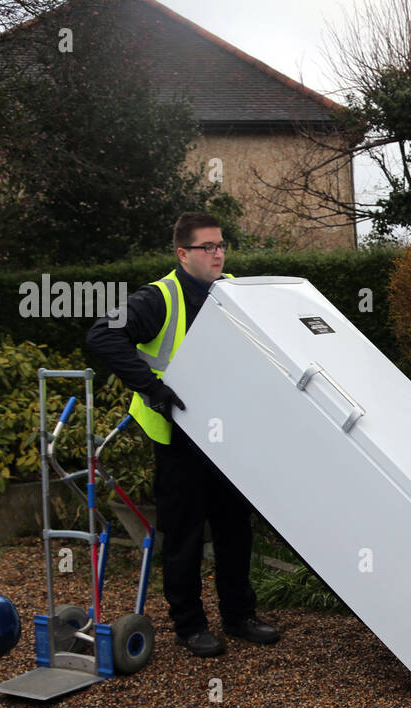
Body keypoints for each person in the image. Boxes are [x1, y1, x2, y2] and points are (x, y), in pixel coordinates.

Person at [85, 212, 280, 658]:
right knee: (185, 535)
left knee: (235, 530)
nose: (217, 254)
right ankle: (190, 626)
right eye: (207, 247)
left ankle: (239, 616)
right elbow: (102, 336)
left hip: (228, 437)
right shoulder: (158, 298)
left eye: (221, 245)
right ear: (182, 254)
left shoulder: (232, 290)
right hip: (178, 439)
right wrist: (152, 387)